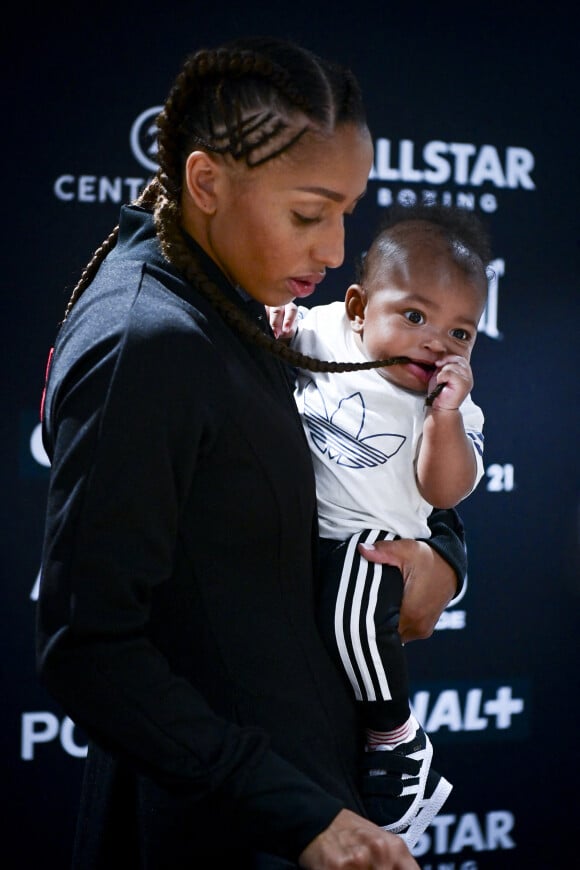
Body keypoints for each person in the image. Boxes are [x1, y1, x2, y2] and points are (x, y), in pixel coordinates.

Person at [36, 36, 469, 869]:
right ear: (206, 182)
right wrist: (300, 815)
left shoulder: (253, 297)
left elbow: (382, 464)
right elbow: (88, 648)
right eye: (309, 214)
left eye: (347, 211)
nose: (337, 249)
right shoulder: (148, 340)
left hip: (306, 801)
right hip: (227, 832)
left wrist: (440, 559)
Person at [268, 203, 492, 848]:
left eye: (461, 333)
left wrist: (446, 418)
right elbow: (289, 328)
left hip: (376, 552)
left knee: (362, 579)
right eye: (415, 316)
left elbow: (444, 489)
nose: (436, 342)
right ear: (360, 307)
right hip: (299, 545)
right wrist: (279, 325)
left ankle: (397, 740)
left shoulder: (448, 405)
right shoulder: (326, 331)